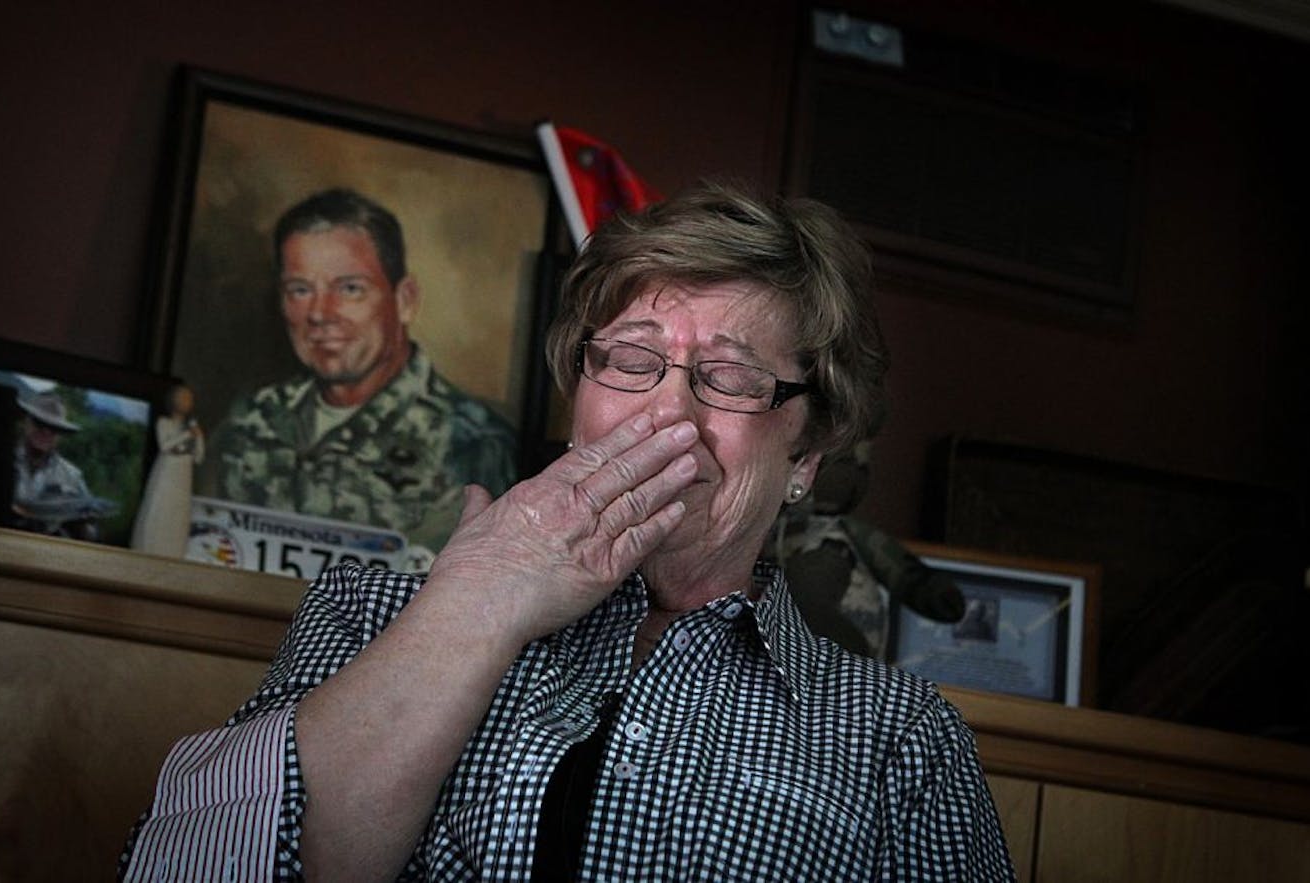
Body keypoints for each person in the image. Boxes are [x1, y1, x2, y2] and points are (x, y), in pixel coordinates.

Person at [122, 181, 1016, 881]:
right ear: (578, 391)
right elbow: (187, 865)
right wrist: (476, 604)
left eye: (731, 377)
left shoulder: (899, 739)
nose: (666, 410)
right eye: (629, 359)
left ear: (809, 452)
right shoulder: (368, 616)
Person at [212, 188, 518, 552]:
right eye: (299, 289)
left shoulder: (472, 445)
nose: (320, 313)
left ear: (404, 301)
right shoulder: (250, 421)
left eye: (350, 288)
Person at [12, 392, 103, 540]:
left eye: (54, 428)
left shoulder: (72, 476)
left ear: (60, 434)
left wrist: (82, 527)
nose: (46, 431)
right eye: (40, 423)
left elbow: (91, 532)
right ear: (26, 421)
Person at [130, 384, 205, 556]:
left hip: (183, 476)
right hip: (167, 472)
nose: (186, 402)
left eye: (189, 398)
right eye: (183, 397)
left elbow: (199, 457)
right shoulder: (164, 422)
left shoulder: (191, 427)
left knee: (177, 514)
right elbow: (165, 445)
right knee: (160, 510)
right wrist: (187, 435)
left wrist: (198, 436)